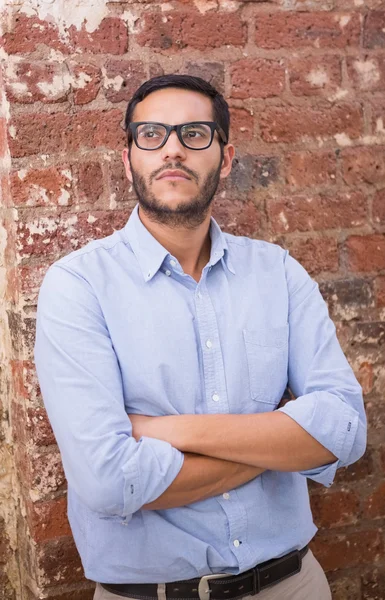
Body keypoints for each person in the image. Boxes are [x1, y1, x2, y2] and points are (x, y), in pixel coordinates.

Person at [34, 74, 367, 600]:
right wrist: (279, 444)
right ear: (128, 160)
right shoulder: (78, 287)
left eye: (194, 134)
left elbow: (344, 430)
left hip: (294, 584)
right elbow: (110, 480)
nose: (172, 149)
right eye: (151, 135)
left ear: (226, 158)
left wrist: (166, 431)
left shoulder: (277, 273)